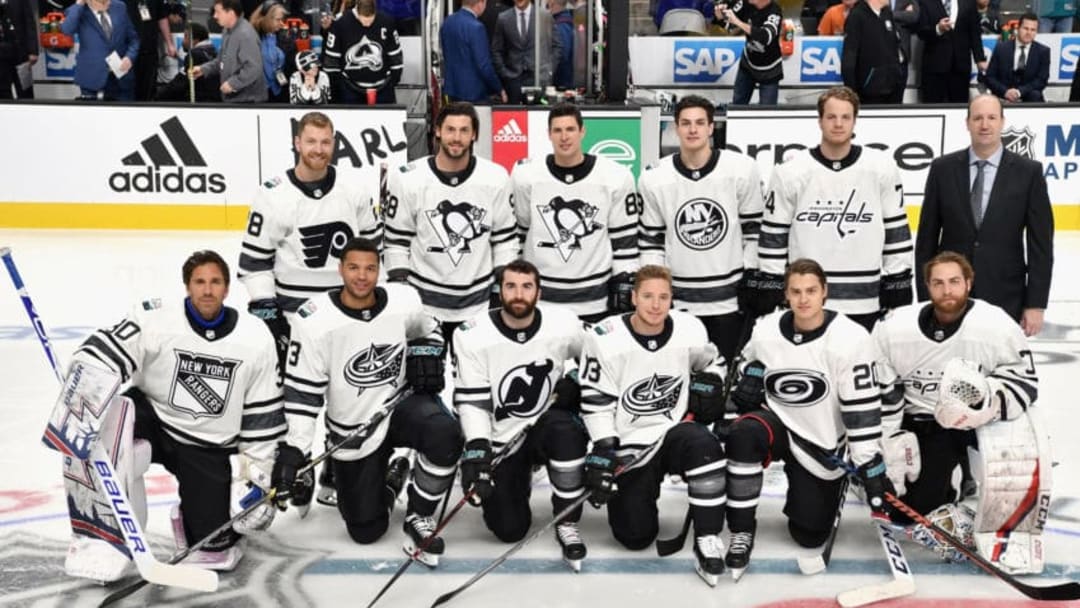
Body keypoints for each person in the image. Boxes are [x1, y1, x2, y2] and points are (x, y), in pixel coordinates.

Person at [61, 250, 286, 580]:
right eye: (199, 282)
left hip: (206, 445)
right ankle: (103, 535)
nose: (207, 290)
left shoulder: (254, 337)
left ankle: (194, 517)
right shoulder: (157, 317)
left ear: (226, 289)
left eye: (215, 282)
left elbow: (261, 417)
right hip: (152, 418)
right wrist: (90, 370)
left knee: (214, 550)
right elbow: (111, 345)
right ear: (187, 286)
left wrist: (257, 481)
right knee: (104, 422)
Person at [277, 237, 463, 567]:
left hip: (402, 406)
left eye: (370, 268)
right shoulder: (314, 320)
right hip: (355, 426)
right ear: (341, 270)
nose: (362, 276)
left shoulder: (402, 301)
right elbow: (303, 394)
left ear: (379, 271)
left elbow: (430, 329)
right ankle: (393, 479)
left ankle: (419, 514)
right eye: (353, 268)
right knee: (365, 529)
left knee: (445, 433)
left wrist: (428, 351)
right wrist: (296, 449)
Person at [873, 251, 1047, 573]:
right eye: (938, 283)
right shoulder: (894, 329)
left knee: (1011, 464)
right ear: (927, 287)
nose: (947, 290)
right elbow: (881, 390)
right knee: (907, 513)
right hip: (922, 422)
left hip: (979, 424)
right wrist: (890, 438)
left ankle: (973, 498)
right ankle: (959, 495)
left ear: (968, 283)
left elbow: (1026, 383)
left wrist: (984, 404)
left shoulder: (994, 325)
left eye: (954, 281)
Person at [722, 258, 892, 579]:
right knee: (743, 433)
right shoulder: (767, 328)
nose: (803, 299)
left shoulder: (850, 338)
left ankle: (822, 489)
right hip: (777, 423)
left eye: (811, 291)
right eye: (796, 291)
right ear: (786, 294)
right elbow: (746, 364)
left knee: (809, 534)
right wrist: (750, 375)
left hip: (820, 443)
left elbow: (862, 405)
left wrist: (868, 461)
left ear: (825, 292)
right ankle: (741, 531)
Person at [578, 264, 730, 586]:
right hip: (630, 445)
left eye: (663, 297)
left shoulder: (690, 330)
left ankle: (708, 537)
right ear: (633, 297)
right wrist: (605, 447)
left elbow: (715, 363)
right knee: (634, 537)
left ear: (672, 299)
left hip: (673, 432)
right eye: (648, 296)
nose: (656, 304)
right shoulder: (605, 337)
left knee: (705, 445)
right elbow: (595, 399)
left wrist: (711, 384)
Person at [452, 259, 590, 569]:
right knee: (509, 529)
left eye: (527, 287)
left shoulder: (564, 325)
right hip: (503, 438)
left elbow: (599, 357)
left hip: (543, 424)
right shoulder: (473, 334)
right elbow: (473, 403)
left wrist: (576, 382)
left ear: (538, 293)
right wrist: (478, 449)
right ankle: (518, 472)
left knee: (566, 431)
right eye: (511, 286)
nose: (519, 294)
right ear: (499, 291)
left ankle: (567, 520)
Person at [759, 87, 913, 332]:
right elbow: (773, 237)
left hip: (865, 302)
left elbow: (896, 229)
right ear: (820, 120)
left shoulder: (881, 167)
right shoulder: (791, 171)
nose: (838, 124)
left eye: (846, 117)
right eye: (831, 117)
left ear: (855, 120)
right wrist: (773, 285)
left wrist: (897, 280)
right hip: (807, 302)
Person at [638, 95, 765, 362]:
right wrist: (658, 291)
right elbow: (652, 242)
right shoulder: (654, 178)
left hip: (728, 301)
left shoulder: (741, 169)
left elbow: (754, 230)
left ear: (711, 127)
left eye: (699, 123)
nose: (692, 130)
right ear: (676, 127)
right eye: (685, 123)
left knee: (720, 389)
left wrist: (750, 275)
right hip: (679, 303)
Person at [914, 94, 1053, 335]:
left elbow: (1040, 247)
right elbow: (926, 240)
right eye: (978, 118)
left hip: (1007, 296)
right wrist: (927, 296)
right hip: (949, 296)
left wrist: (1036, 304)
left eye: (991, 117)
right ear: (967, 123)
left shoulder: (1029, 172)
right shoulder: (942, 169)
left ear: (1002, 121)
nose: (985, 125)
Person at [383, 101, 518, 343]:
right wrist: (404, 298)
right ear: (437, 131)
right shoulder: (408, 179)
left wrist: (500, 294)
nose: (457, 137)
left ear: (474, 134)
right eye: (450, 129)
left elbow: (504, 241)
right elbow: (396, 243)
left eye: (464, 130)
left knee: (476, 380)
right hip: (423, 305)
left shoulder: (495, 177)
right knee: (425, 379)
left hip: (479, 304)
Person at [511, 103, 639, 324]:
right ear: (549, 134)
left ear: (582, 131)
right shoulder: (525, 175)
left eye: (570, 129)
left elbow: (624, 243)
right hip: (542, 300)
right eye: (557, 130)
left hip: (595, 301)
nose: (564, 137)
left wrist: (624, 281)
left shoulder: (615, 176)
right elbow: (519, 234)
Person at [321, 0, 403, 104]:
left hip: (383, 89)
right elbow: (331, 61)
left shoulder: (387, 21)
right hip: (349, 90)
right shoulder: (340, 22)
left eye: (371, 20)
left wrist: (392, 82)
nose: (368, 25)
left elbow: (396, 56)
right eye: (364, 21)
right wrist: (339, 87)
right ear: (357, 13)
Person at [61, 0, 140, 100]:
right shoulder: (79, 10)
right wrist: (79, 4)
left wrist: (129, 58)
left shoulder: (119, 7)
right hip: (92, 80)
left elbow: (134, 39)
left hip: (121, 78)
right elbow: (67, 30)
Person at [191, 0, 266, 103]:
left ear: (230, 13)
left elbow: (254, 68)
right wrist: (203, 69)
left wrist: (233, 84)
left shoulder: (246, 35)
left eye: (218, 12)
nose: (215, 16)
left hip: (248, 102)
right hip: (234, 100)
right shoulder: (227, 31)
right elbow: (221, 60)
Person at [714, 0, 783, 105]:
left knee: (767, 113)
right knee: (738, 104)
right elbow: (728, 24)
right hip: (747, 64)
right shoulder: (745, 3)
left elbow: (765, 36)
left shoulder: (774, 12)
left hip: (770, 68)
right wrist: (720, 16)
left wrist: (738, 22)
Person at [915, 0, 985, 103]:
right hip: (935, 67)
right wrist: (938, 29)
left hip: (960, 67)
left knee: (959, 110)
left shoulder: (969, 2)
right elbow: (921, 31)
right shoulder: (927, 2)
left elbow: (975, 33)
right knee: (933, 108)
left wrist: (980, 59)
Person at [441, 0, 506, 103]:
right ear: (481, 2)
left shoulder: (447, 22)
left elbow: (446, 55)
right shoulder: (477, 27)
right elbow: (484, 66)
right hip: (474, 94)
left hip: (452, 90)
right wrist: (499, 88)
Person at [842, 0, 905, 104]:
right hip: (869, 92)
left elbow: (895, 46)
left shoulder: (887, 13)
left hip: (893, 88)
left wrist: (898, 74)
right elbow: (849, 56)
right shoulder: (856, 16)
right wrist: (851, 92)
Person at [984, 13, 1049, 103]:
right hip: (1003, 93)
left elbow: (1042, 80)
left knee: (1035, 95)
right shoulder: (1001, 48)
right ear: (1018, 28)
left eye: (1033, 30)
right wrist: (1005, 92)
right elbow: (990, 77)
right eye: (1025, 28)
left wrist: (1019, 92)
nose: (1029, 33)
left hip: (1029, 96)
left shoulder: (1043, 52)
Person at [155, 21, 220, 101]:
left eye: (186, 37)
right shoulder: (214, 52)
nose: (183, 41)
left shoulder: (194, 55)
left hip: (199, 100)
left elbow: (180, 84)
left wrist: (158, 96)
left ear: (195, 40)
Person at [124, 0, 173, 100]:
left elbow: (162, 18)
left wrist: (169, 43)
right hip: (126, 51)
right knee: (125, 89)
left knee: (148, 90)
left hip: (149, 50)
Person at [492, 0, 537, 104]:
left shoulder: (542, 16)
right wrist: (504, 72)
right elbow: (496, 50)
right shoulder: (503, 18)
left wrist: (548, 70)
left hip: (536, 78)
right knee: (514, 117)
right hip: (513, 79)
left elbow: (555, 46)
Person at [0, 0, 39, 99]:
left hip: (21, 52)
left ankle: (29, 113)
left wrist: (33, 50)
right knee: (2, 91)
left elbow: (29, 23)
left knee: (26, 90)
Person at [251, 0, 287, 101]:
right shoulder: (252, 36)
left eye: (282, 19)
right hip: (258, 93)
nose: (281, 23)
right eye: (278, 20)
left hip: (277, 90)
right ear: (267, 19)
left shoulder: (280, 35)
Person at [549, 0, 575, 90]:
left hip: (562, 82)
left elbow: (562, 54)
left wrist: (549, 72)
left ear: (552, 2)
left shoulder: (561, 25)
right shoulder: (567, 20)